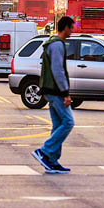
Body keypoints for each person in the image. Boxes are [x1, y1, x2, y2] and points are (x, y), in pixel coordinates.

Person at [33, 16, 75, 174]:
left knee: (58, 124)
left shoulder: (52, 42)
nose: (73, 31)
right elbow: (58, 70)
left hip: (49, 89)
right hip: (55, 90)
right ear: (65, 28)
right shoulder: (57, 45)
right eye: (72, 28)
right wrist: (65, 92)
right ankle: (45, 151)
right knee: (68, 122)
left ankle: (52, 161)